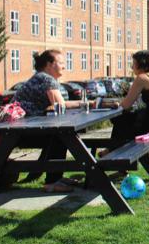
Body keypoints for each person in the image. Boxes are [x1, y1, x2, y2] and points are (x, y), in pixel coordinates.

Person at [13, 50, 91, 193]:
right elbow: (60, 105)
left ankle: (56, 178)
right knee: (61, 136)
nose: (64, 66)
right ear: (49, 64)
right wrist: (88, 104)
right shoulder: (46, 79)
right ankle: (52, 182)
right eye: (61, 63)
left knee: (61, 135)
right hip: (18, 133)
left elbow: (57, 106)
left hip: (20, 129)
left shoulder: (42, 77)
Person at [108, 51, 149, 152]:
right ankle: (112, 150)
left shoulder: (142, 78)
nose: (132, 67)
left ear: (141, 64)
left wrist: (115, 105)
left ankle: (113, 153)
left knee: (119, 119)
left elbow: (126, 105)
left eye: (133, 63)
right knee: (126, 119)